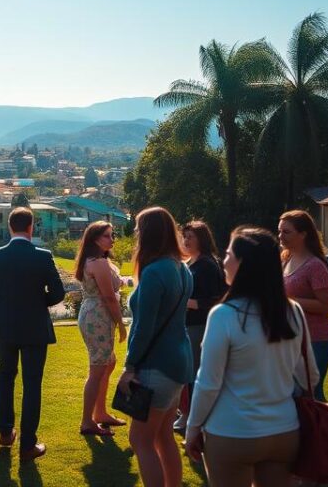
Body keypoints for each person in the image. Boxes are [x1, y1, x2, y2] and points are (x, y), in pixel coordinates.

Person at [185, 227, 320, 487]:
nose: (223, 262)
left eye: (228, 255)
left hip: (232, 432)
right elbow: (309, 375)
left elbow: (208, 383)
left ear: (243, 263)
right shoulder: (293, 311)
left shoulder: (224, 314)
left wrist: (193, 429)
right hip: (284, 431)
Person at [0, 206, 66, 461]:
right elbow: (58, 293)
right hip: (35, 327)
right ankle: (28, 444)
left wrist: (6, 306)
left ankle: (5, 432)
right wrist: (38, 304)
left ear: (9, 226)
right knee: (32, 384)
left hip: (5, 325)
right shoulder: (43, 256)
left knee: (5, 376)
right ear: (31, 226)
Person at [120, 206, 192, 487]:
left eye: (139, 229)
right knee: (162, 436)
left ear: (147, 234)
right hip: (177, 362)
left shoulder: (154, 272)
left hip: (156, 364)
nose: (136, 235)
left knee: (140, 440)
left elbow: (143, 328)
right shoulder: (182, 268)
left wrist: (129, 366)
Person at [74, 220, 127, 437]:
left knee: (108, 362)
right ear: (96, 239)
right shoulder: (99, 263)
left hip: (93, 313)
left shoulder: (95, 261)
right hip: (98, 315)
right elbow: (108, 298)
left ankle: (101, 413)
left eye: (112, 235)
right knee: (97, 368)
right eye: (107, 235)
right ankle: (88, 421)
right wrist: (122, 324)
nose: (112, 239)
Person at [173, 221, 226, 434]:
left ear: (201, 239)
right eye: (184, 237)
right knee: (187, 372)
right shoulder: (191, 262)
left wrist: (186, 301)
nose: (185, 241)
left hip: (200, 325)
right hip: (188, 324)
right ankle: (187, 413)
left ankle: (194, 418)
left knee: (195, 373)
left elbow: (218, 298)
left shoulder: (207, 264)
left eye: (190, 237)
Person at [278, 210, 328, 400]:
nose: (280, 236)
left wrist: (288, 301)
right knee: (298, 396)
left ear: (303, 234)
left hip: (316, 340)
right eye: (279, 231)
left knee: (310, 396)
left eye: (286, 232)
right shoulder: (285, 259)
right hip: (294, 339)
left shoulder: (315, 266)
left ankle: (324, 429)